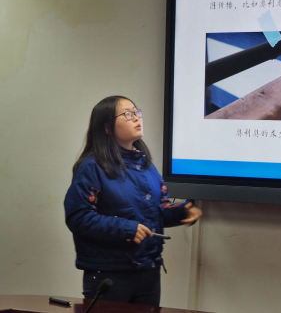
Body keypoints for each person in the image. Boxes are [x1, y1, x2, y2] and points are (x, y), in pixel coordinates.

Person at [64, 95, 202, 306]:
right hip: (109, 274)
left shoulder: (145, 165)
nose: (137, 117)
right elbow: (79, 217)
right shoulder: (92, 167)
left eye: (137, 112)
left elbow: (155, 209)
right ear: (107, 128)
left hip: (148, 269)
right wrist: (126, 229)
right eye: (128, 114)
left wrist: (183, 210)